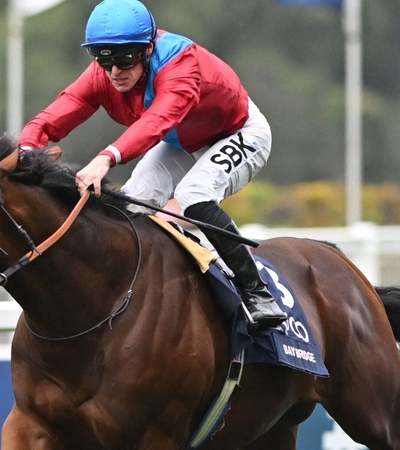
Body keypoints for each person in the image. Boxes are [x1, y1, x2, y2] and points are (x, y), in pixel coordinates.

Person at [19, 0, 287, 330]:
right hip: (181, 140)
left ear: (148, 49)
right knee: (131, 205)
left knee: (193, 195)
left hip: (239, 133)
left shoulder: (180, 64)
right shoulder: (105, 74)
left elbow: (157, 122)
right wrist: (25, 150)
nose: (115, 72)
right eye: (103, 60)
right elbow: (59, 112)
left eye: (124, 59)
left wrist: (106, 158)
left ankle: (256, 292)